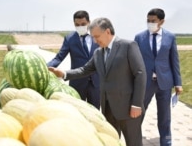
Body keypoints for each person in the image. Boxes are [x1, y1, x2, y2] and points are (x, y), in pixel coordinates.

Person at [49, 17, 147, 146]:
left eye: (97, 36)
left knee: (133, 143)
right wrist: (64, 74)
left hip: (128, 108)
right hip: (108, 108)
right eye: (93, 37)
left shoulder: (128, 46)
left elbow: (140, 74)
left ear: (107, 32)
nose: (95, 41)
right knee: (111, 141)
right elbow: (85, 70)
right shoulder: (98, 53)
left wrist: (137, 104)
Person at [134, 8, 183, 146]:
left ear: (162, 21)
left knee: (165, 116)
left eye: (153, 21)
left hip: (165, 83)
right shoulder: (139, 37)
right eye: (148, 21)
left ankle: (166, 142)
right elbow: (134, 61)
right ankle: (135, 140)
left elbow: (175, 61)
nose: (150, 23)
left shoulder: (170, 37)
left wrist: (178, 83)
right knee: (138, 114)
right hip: (145, 83)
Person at [47, 10, 100, 109]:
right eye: (77, 24)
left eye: (83, 24)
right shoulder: (70, 38)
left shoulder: (97, 36)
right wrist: (45, 67)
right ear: (74, 24)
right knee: (77, 112)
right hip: (77, 82)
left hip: (95, 83)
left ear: (89, 22)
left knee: (95, 112)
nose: (80, 26)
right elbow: (59, 57)